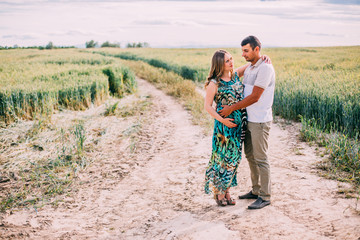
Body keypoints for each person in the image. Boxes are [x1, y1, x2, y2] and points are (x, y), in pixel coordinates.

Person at [204, 49, 270, 206]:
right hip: (223, 128)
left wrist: (263, 57)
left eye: (231, 59)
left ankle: (227, 191)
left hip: (239, 126)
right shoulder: (214, 83)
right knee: (221, 159)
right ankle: (219, 193)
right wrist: (223, 121)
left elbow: (251, 64)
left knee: (234, 159)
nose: (231, 62)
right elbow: (208, 106)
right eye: (227, 61)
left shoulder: (234, 76)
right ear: (220, 64)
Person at [219, 36, 275, 209]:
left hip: (260, 121)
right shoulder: (251, 67)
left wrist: (231, 108)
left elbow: (255, 97)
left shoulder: (265, 68)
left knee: (261, 158)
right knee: (251, 156)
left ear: (256, 50)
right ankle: (256, 190)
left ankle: (265, 196)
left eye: (246, 50)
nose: (243, 54)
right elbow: (232, 73)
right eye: (242, 50)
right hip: (248, 120)